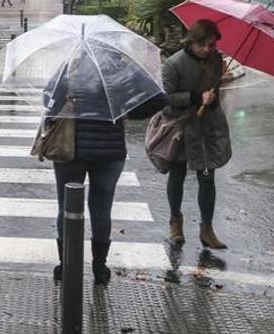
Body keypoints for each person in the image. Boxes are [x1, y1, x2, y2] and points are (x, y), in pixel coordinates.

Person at [45, 59, 166, 285]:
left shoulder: (70, 67)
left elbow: (47, 99)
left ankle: (66, 266)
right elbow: (158, 98)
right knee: (102, 207)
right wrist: (126, 111)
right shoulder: (121, 70)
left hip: (71, 149)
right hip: (110, 152)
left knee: (67, 206)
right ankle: (100, 268)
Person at [161, 20, 232, 249]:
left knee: (207, 177)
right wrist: (195, 98)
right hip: (181, 126)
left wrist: (210, 100)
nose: (207, 49)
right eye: (202, 44)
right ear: (191, 40)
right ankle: (175, 221)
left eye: (211, 45)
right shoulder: (173, 64)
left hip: (206, 129)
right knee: (178, 174)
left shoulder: (217, 60)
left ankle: (207, 229)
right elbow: (169, 97)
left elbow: (215, 91)